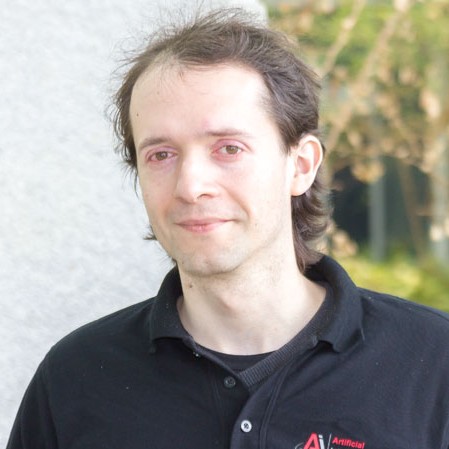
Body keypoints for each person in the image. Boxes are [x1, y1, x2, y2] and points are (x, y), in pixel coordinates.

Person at [7, 8, 449, 449]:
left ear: (301, 165)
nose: (190, 186)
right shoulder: (74, 380)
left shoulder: (434, 364)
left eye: (229, 148)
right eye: (161, 155)